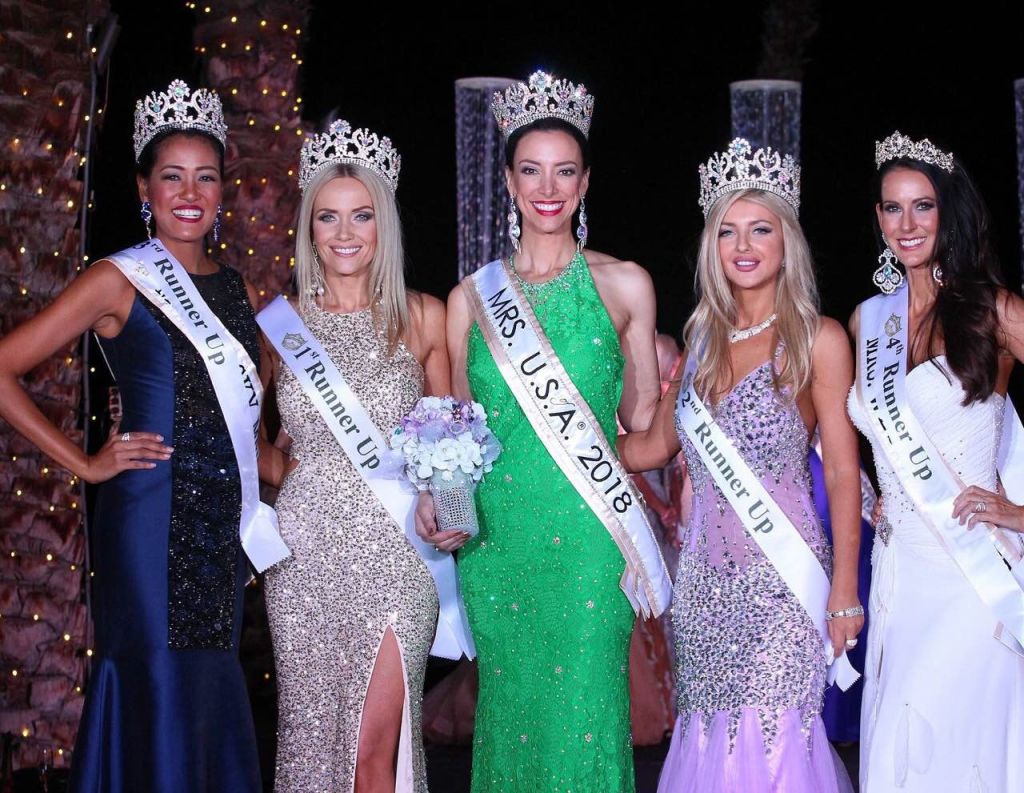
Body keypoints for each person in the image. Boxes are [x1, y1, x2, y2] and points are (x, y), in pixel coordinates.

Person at [0, 80, 277, 792]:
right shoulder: (116, 279)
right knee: (154, 677)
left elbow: (252, 422)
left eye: (206, 176)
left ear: (223, 190)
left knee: (207, 684)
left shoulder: (243, 294)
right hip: (148, 519)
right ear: (144, 188)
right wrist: (85, 463)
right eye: (172, 176)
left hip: (219, 531)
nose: (190, 193)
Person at [418, 70, 672, 791]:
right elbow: (457, 432)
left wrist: (696, 396)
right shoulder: (471, 297)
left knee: (585, 713)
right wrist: (439, 499)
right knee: (513, 718)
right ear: (509, 180)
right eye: (531, 169)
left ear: (585, 182)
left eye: (565, 170)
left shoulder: (626, 284)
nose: (548, 186)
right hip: (499, 544)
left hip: (592, 538)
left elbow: (641, 424)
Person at [618, 138, 864, 791]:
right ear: (712, 246)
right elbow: (652, 446)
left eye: (761, 229)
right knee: (712, 746)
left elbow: (842, 473)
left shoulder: (817, 338)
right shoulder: (700, 341)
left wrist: (844, 590)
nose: (743, 245)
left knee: (776, 747)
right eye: (728, 231)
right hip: (702, 589)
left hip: (783, 586)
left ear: (787, 242)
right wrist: (574, 439)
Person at [257, 119, 451, 792]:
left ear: (383, 224)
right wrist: (292, 473)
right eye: (328, 216)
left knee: (376, 748)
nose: (345, 233)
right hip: (304, 552)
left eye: (362, 215)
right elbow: (246, 437)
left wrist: (449, 508)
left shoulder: (422, 316)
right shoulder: (279, 324)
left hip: (397, 553)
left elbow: (450, 437)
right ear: (309, 227)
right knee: (312, 742)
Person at [848, 131, 1024, 792]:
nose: (908, 224)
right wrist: (871, 494)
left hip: (970, 579)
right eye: (893, 208)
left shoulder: (994, 310)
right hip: (899, 574)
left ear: (948, 210)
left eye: (923, 205)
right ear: (878, 219)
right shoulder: (868, 321)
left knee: (954, 749)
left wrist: (1019, 511)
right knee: (901, 744)